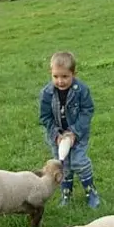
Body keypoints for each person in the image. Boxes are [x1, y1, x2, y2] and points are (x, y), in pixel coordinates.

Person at [39, 51, 100, 208]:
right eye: (56, 76)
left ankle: (91, 191)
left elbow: (87, 111)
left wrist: (74, 132)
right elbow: (45, 117)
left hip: (78, 135)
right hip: (57, 137)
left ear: (74, 74)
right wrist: (56, 135)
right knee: (63, 164)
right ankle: (66, 194)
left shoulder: (81, 90)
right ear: (50, 74)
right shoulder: (46, 93)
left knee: (79, 161)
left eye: (65, 76)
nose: (60, 81)